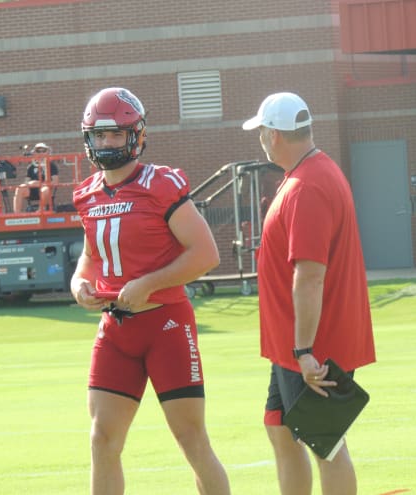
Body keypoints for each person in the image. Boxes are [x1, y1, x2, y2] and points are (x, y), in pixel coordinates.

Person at [70, 87, 231, 495]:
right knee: (101, 440)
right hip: (115, 329)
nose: (108, 143)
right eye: (100, 135)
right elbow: (89, 258)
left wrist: (149, 284)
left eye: (116, 134)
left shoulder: (160, 184)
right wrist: (79, 285)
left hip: (166, 324)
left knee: (191, 440)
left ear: (136, 135)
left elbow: (206, 253)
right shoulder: (87, 194)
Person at [242, 92, 376, 495]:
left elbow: (310, 276)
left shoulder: (307, 186)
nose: (261, 139)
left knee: (326, 445)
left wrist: (303, 350)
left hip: (312, 346)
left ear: (274, 135)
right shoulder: (308, 174)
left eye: (262, 131)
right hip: (293, 343)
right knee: (280, 432)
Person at [13, 142, 59, 212]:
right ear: (34, 153)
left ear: (47, 152)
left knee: (45, 190)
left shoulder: (51, 165)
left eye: (43, 151)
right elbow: (26, 182)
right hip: (32, 190)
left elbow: (55, 182)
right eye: (38, 151)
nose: (41, 153)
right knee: (20, 188)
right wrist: (31, 183)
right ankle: (17, 214)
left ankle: (40, 210)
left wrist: (41, 183)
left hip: (45, 190)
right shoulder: (31, 167)